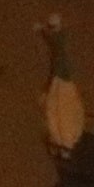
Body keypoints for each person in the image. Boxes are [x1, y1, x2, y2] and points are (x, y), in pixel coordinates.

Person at [37, 14, 85, 153]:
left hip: (61, 78)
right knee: (57, 108)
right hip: (60, 77)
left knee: (59, 109)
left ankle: (64, 143)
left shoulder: (59, 39)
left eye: (52, 27)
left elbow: (52, 41)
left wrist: (42, 29)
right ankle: (61, 141)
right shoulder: (59, 39)